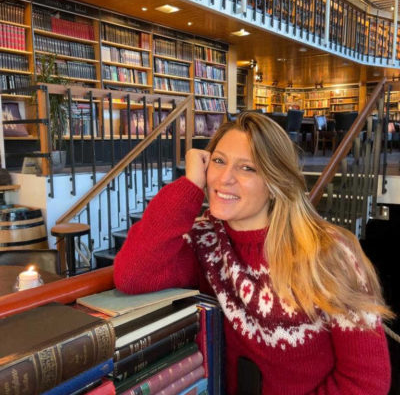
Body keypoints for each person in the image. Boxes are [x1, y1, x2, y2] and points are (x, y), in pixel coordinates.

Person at [114, 112, 393, 395]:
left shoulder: (329, 253)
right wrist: (189, 186)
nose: (225, 179)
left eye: (247, 168)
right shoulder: (206, 242)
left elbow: (365, 380)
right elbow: (133, 275)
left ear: (274, 183)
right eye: (218, 161)